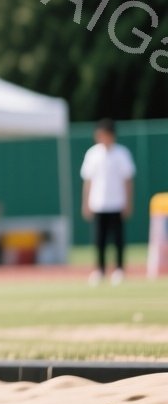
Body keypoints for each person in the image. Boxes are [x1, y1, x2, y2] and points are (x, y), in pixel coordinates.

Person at [81, 118, 135, 286]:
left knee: (118, 238)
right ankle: (100, 270)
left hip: (117, 203)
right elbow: (88, 181)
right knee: (99, 239)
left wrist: (128, 202)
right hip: (98, 203)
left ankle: (119, 269)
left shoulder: (122, 153)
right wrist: (86, 203)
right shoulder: (92, 154)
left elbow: (128, 180)